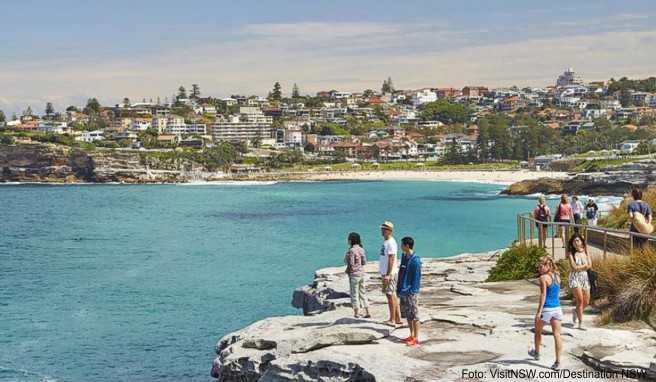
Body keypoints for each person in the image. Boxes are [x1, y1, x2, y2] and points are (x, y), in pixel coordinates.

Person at [529, 256, 563, 370]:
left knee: (537, 331)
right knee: (557, 334)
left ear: (548, 266)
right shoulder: (557, 276)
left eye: (541, 266)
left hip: (547, 309)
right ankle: (558, 362)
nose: (539, 268)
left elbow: (543, 295)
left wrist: (539, 311)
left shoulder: (543, 278)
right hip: (557, 308)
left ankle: (537, 353)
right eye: (539, 266)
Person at [397, 236, 422, 347]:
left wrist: (412, 291)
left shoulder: (415, 260)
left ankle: (416, 338)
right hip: (403, 289)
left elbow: (417, 277)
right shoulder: (404, 257)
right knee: (408, 314)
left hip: (411, 292)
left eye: (402, 244)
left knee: (414, 315)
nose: (401, 246)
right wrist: (399, 288)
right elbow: (401, 273)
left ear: (407, 246)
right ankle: (411, 334)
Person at [379, 221, 402, 326]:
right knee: (392, 295)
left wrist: (388, 274)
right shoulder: (386, 242)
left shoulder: (391, 242)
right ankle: (397, 318)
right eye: (382, 229)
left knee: (390, 294)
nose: (382, 231)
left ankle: (392, 319)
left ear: (390, 231)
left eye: (384, 229)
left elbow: (391, 258)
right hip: (386, 273)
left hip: (390, 273)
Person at [567, 234, 592, 330]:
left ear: (581, 241)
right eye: (574, 241)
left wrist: (580, 267)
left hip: (584, 277)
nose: (576, 243)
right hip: (574, 277)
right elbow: (573, 267)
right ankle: (580, 323)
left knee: (586, 301)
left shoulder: (586, 251)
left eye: (577, 240)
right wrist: (584, 266)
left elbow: (590, 265)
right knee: (580, 300)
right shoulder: (571, 253)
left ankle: (576, 311)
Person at [344, 232, 370, 319]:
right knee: (362, 293)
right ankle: (367, 311)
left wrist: (348, 270)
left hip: (354, 275)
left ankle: (356, 312)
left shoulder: (351, 250)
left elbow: (351, 263)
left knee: (354, 294)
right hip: (361, 274)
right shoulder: (361, 249)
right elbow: (364, 262)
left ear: (351, 240)